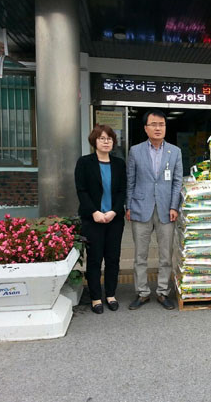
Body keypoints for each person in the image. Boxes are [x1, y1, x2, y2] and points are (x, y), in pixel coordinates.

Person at [126, 109, 183, 310]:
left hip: (166, 209)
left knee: (166, 254)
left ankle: (162, 292)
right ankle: (142, 293)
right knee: (140, 255)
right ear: (145, 128)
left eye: (161, 124)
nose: (158, 128)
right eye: (153, 124)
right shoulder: (135, 151)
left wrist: (174, 206)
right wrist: (128, 206)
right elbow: (130, 181)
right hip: (140, 207)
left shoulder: (175, 152)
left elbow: (177, 182)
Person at [75, 124, 127, 314]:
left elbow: (122, 191)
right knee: (95, 259)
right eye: (102, 138)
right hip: (92, 219)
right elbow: (81, 190)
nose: (106, 142)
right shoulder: (84, 162)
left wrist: (114, 211)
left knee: (113, 258)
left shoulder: (119, 164)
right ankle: (96, 297)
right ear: (94, 141)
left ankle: (111, 294)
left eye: (109, 138)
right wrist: (94, 212)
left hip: (114, 219)